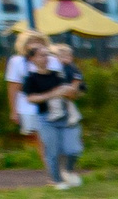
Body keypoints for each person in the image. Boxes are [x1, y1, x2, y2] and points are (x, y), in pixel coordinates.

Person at [21, 40, 85, 189]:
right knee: (53, 151)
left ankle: (68, 171)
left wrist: (73, 90)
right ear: (33, 59)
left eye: (47, 55)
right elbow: (31, 98)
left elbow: (76, 90)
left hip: (67, 116)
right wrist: (52, 94)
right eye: (41, 55)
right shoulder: (31, 79)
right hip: (46, 119)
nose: (45, 58)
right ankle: (57, 181)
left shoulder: (60, 74)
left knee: (73, 149)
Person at [4, 30, 46, 163]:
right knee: (41, 138)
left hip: (50, 103)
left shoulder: (50, 59)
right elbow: (13, 87)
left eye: (39, 42)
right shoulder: (17, 62)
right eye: (31, 42)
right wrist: (13, 111)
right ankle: (52, 169)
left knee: (53, 136)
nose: (35, 45)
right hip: (29, 106)